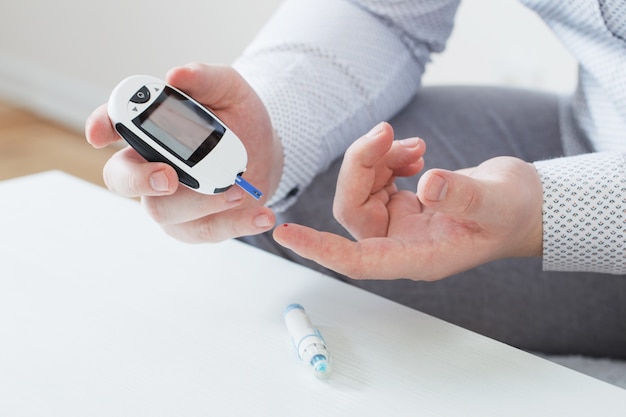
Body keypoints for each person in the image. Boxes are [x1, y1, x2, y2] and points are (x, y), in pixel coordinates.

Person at [85, 0, 626, 359]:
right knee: (267, 208)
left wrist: (548, 214)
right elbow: (383, 12)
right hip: (598, 122)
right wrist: (274, 138)